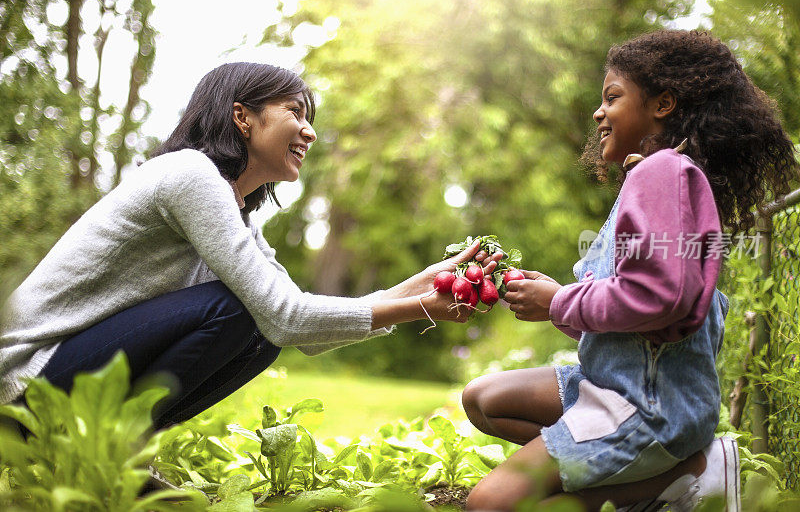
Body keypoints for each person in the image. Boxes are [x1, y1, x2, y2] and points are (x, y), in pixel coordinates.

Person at [0, 62, 499, 430]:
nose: (310, 130)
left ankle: (114, 450)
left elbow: (300, 327)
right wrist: (418, 309)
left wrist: (430, 284)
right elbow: (286, 315)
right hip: (25, 381)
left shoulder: (235, 210)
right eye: (295, 112)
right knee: (241, 312)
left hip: (66, 376)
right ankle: (107, 450)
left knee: (261, 333)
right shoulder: (192, 175)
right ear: (242, 116)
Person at [461, 30, 799, 511]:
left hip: (650, 406)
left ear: (663, 104)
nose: (598, 113)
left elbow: (661, 297)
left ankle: (691, 474)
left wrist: (559, 301)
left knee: (488, 505)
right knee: (483, 399)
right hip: (625, 384)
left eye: (612, 97)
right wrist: (558, 300)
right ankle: (647, 472)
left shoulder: (662, 173)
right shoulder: (660, 176)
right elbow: (638, 306)